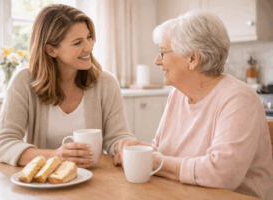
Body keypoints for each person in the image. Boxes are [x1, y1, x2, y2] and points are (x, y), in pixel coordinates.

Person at [117, 10, 273, 200]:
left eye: (163, 53)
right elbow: (163, 152)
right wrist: (142, 152)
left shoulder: (238, 98)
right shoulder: (177, 94)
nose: (157, 61)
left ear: (192, 58)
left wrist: (154, 161)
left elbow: (221, 173)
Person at [0, 4, 136, 169]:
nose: (89, 47)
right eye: (77, 43)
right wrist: (54, 156)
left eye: (89, 37)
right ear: (51, 50)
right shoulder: (23, 82)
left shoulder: (106, 83)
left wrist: (124, 145)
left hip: (92, 180)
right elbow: (1, 145)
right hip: (41, 186)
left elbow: (117, 137)